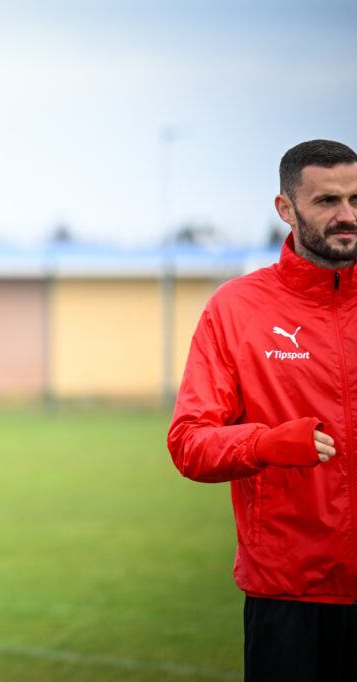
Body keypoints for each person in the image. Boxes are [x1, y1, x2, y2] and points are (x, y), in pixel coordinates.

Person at [168, 139, 357, 681]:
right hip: (287, 594)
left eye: (355, 199)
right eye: (327, 201)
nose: (346, 215)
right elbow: (189, 442)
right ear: (285, 208)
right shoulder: (236, 308)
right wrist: (266, 443)